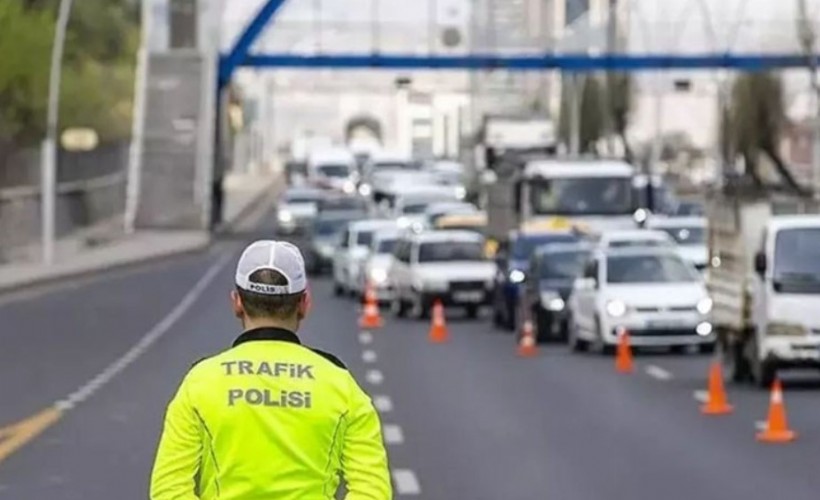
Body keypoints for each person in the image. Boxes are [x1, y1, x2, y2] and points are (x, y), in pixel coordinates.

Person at [150, 240, 392, 499]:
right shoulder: (340, 385)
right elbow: (372, 491)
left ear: (237, 303)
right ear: (304, 304)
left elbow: (168, 490)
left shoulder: (200, 383)